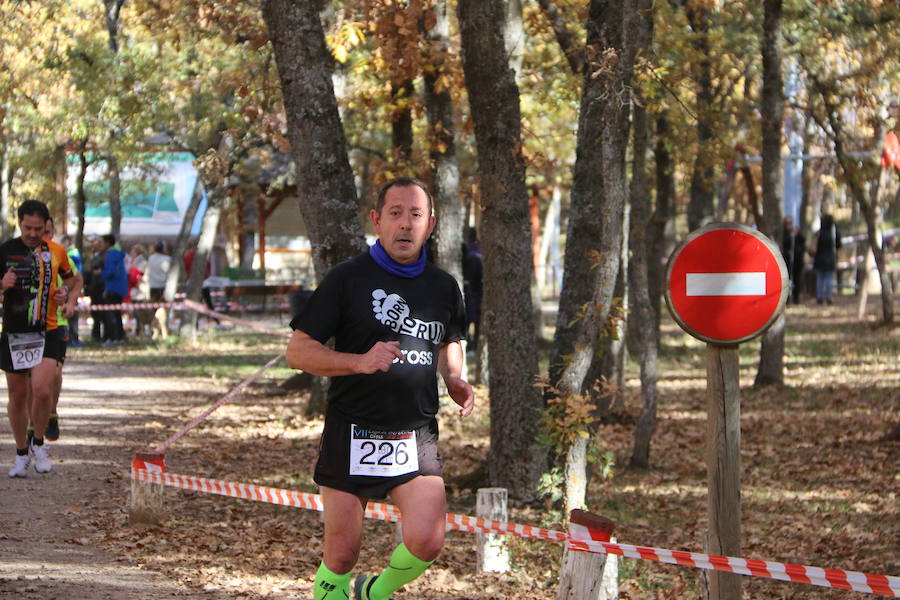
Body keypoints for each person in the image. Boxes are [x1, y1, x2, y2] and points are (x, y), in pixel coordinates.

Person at [286, 177, 475, 600]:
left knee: (428, 540)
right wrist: (359, 361)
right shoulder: (347, 279)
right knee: (341, 554)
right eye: (395, 214)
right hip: (353, 429)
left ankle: (375, 592)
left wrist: (454, 378)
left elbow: (450, 339)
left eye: (415, 215)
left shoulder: (444, 286)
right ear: (376, 220)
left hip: (415, 432)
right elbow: (298, 352)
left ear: (430, 224)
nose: (405, 225)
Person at [1, 200, 81, 477]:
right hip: (15, 332)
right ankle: (22, 453)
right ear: (19, 222)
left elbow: (73, 280)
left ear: (46, 225)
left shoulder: (56, 251)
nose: (33, 234)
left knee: (43, 389)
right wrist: (2, 285)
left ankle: (39, 443)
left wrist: (66, 297)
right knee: (18, 395)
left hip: (46, 330)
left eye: (38, 228)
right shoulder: (6, 251)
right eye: (27, 228)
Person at [39, 217, 83, 442]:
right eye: (39, 231)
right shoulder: (22, 253)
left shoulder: (59, 253)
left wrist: (70, 303)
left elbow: (77, 280)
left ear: (53, 231)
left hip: (58, 323)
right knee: (31, 377)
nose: (43, 236)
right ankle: (34, 420)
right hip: (31, 325)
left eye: (47, 231)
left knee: (54, 373)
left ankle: (52, 412)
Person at [99, 234, 127, 344]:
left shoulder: (111, 254)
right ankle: (119, 337)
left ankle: (111, 338)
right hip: (120, 288)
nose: (101, 245)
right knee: (117, 313)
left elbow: (111, 272)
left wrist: (101, 273)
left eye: (102, 243)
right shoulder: (119, 254)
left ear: (107, 243)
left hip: (112, 288)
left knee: (110, 314)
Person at [812, 212, 842, 305]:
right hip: (830, 258)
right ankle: (828, 296)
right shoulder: (835, 233)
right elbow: (839, 245)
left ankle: (819, 297)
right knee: (828, 278)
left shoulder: (818, 233)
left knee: (820, 278)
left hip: (819, 258)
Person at [59, 234, 83, 346]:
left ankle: (74, 338)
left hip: (69, 292)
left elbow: (78, 279)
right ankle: (71, 337)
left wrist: (71, 301)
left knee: (72, 316)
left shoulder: (71, 254)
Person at [86, 235, 108, 342]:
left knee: (103, 314)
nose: (92, 244)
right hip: (93, 288)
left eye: (94, 242)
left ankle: (105, 336)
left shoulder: (104, 256)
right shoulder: (92, 256)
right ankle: (96, 336)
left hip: (101, 288)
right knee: (95, 314)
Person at [781, 216, 806, 304]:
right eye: (787, 223)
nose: (789, 225)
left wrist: (797, 234)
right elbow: (784, 243)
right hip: (787, 261)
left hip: (797, 261)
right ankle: (786, 299)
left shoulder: (797, 233)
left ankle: (796, 299)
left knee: (797, 281)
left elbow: (803, 243)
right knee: (787, 281)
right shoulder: (784, 233)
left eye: (790, 223)